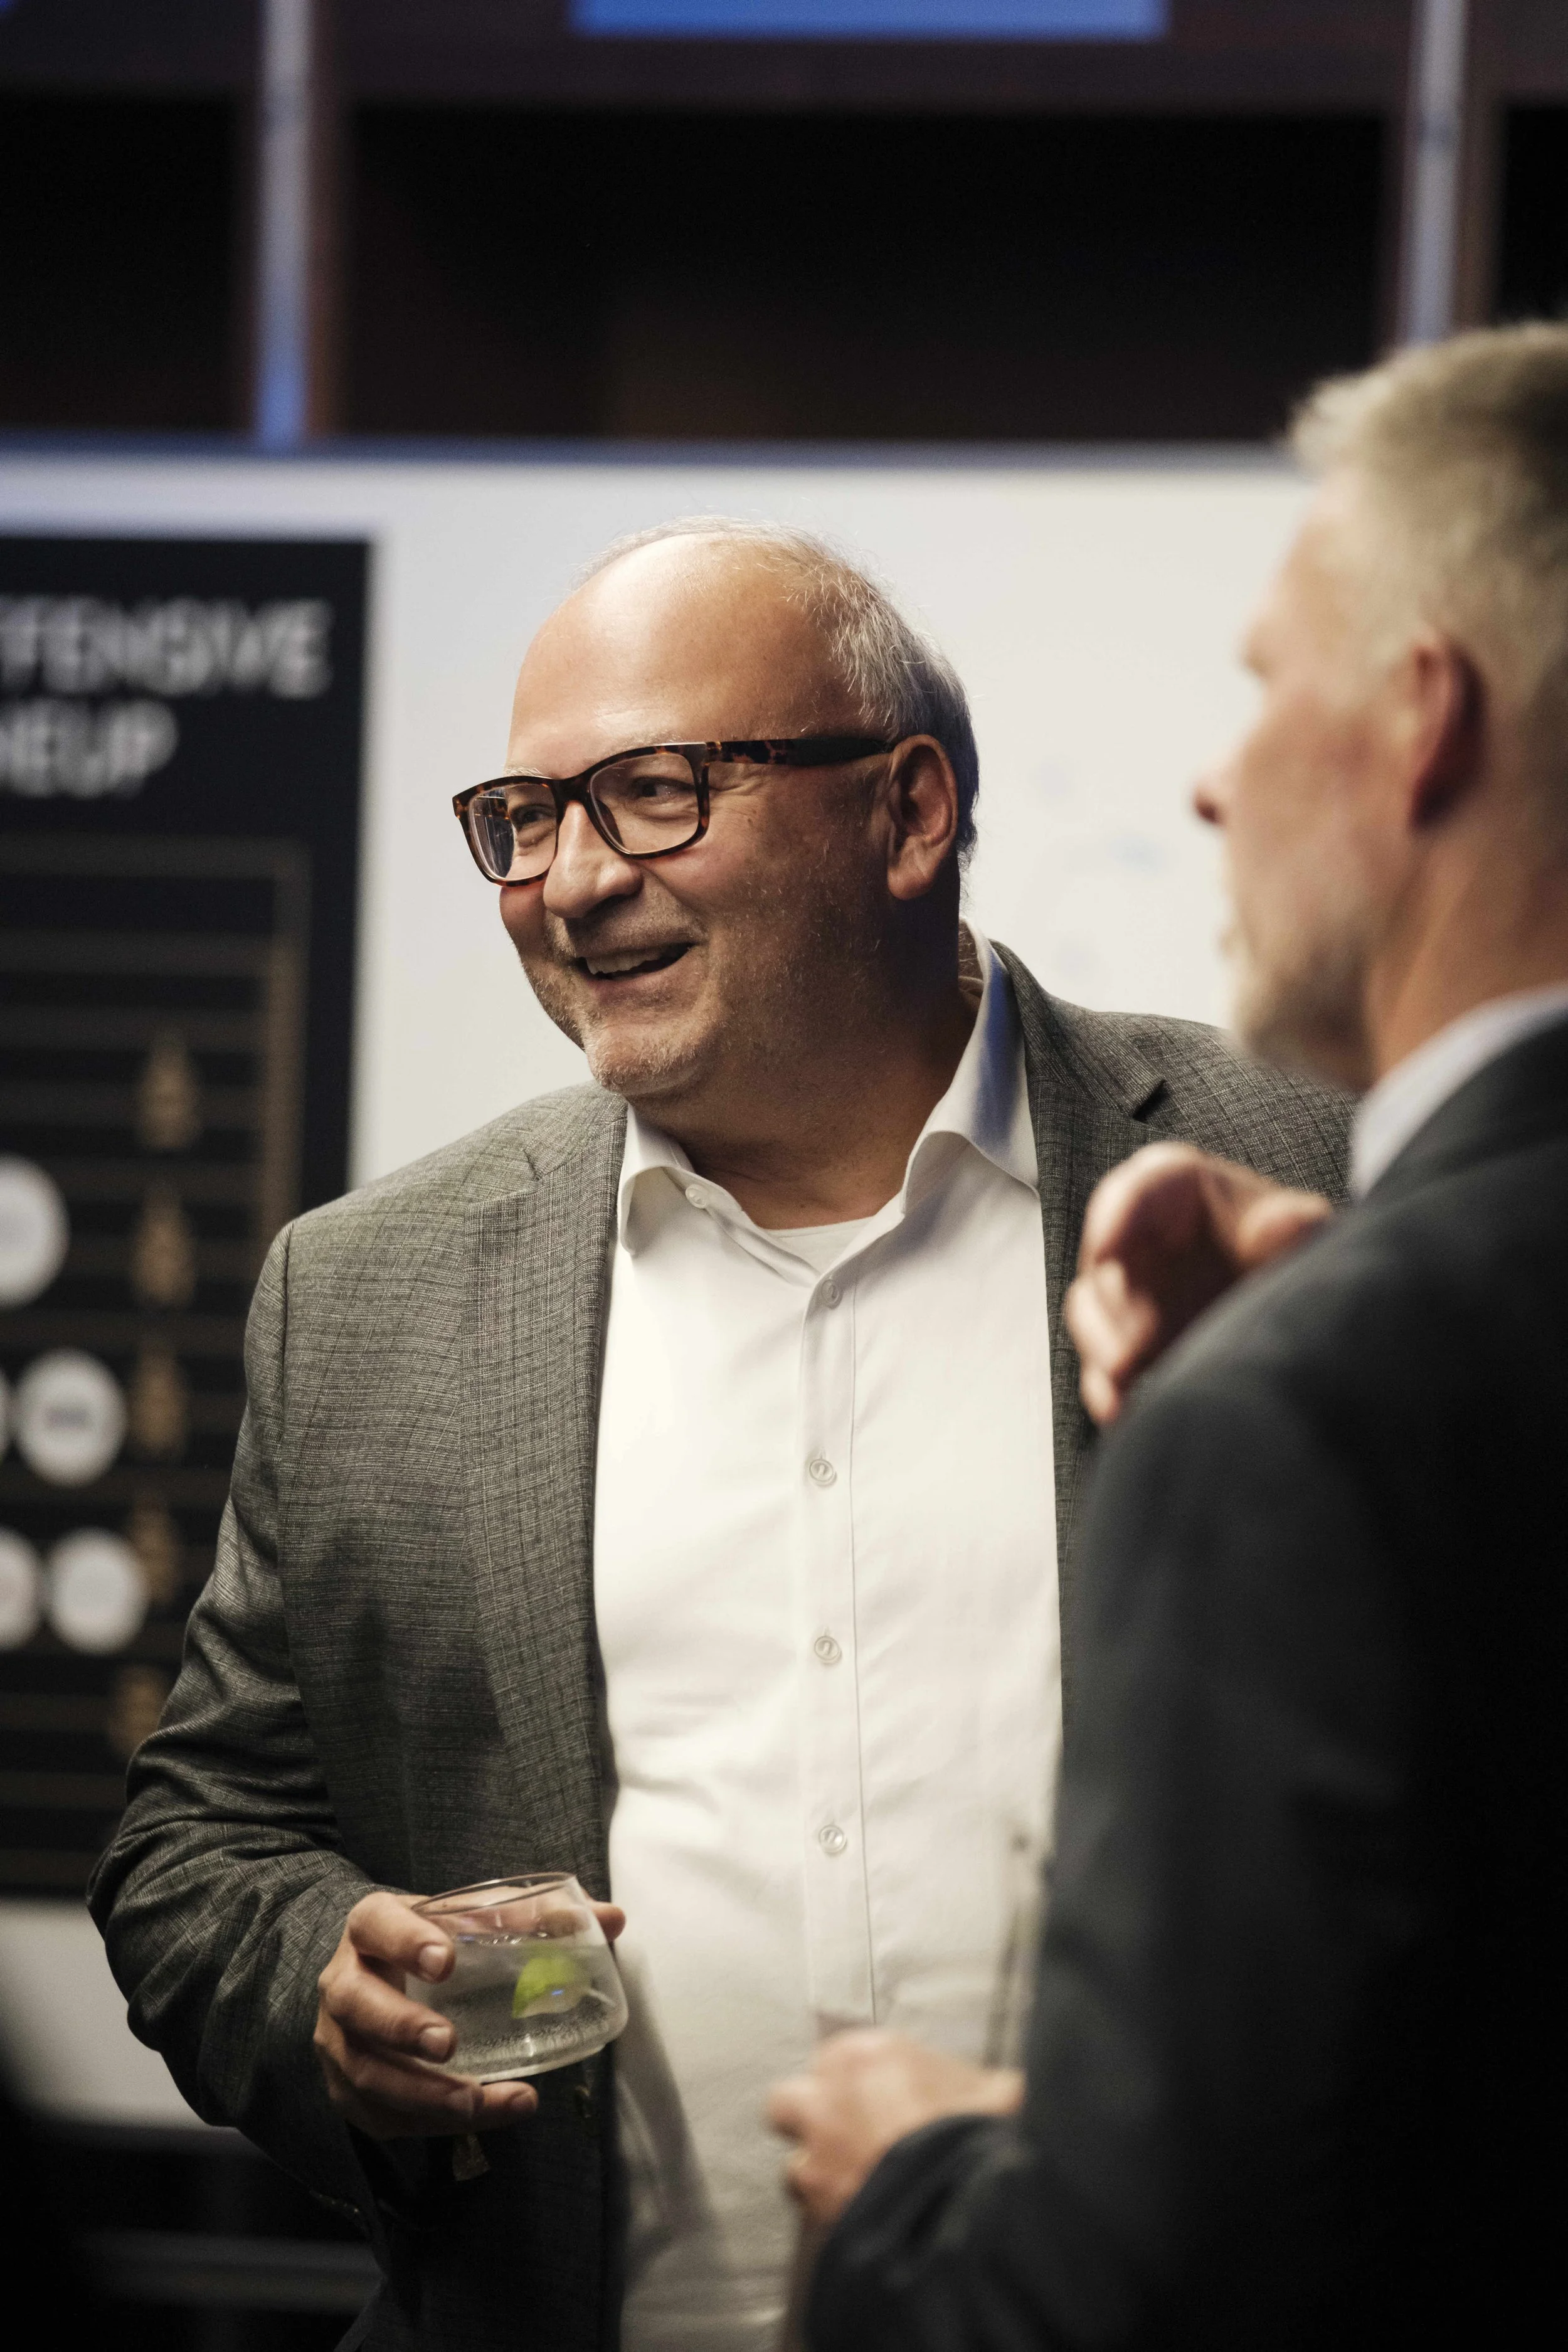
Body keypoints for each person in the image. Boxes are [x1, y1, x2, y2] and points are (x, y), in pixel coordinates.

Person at [89, 519, 1345, 2352]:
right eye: (523, 818)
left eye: (653, 792)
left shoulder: (1298, 1174)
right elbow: (203, 1835)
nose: (569, 880)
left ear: (906, 813)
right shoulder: (376, 1296)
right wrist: (318, 1985)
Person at [769, 325, 1568, 2348]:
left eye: (1258, 685)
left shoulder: (1298, 1417)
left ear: (1418, 720)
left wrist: (915, 2177)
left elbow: (1130, 2305)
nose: (1213, 777)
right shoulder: (1367, 1351)